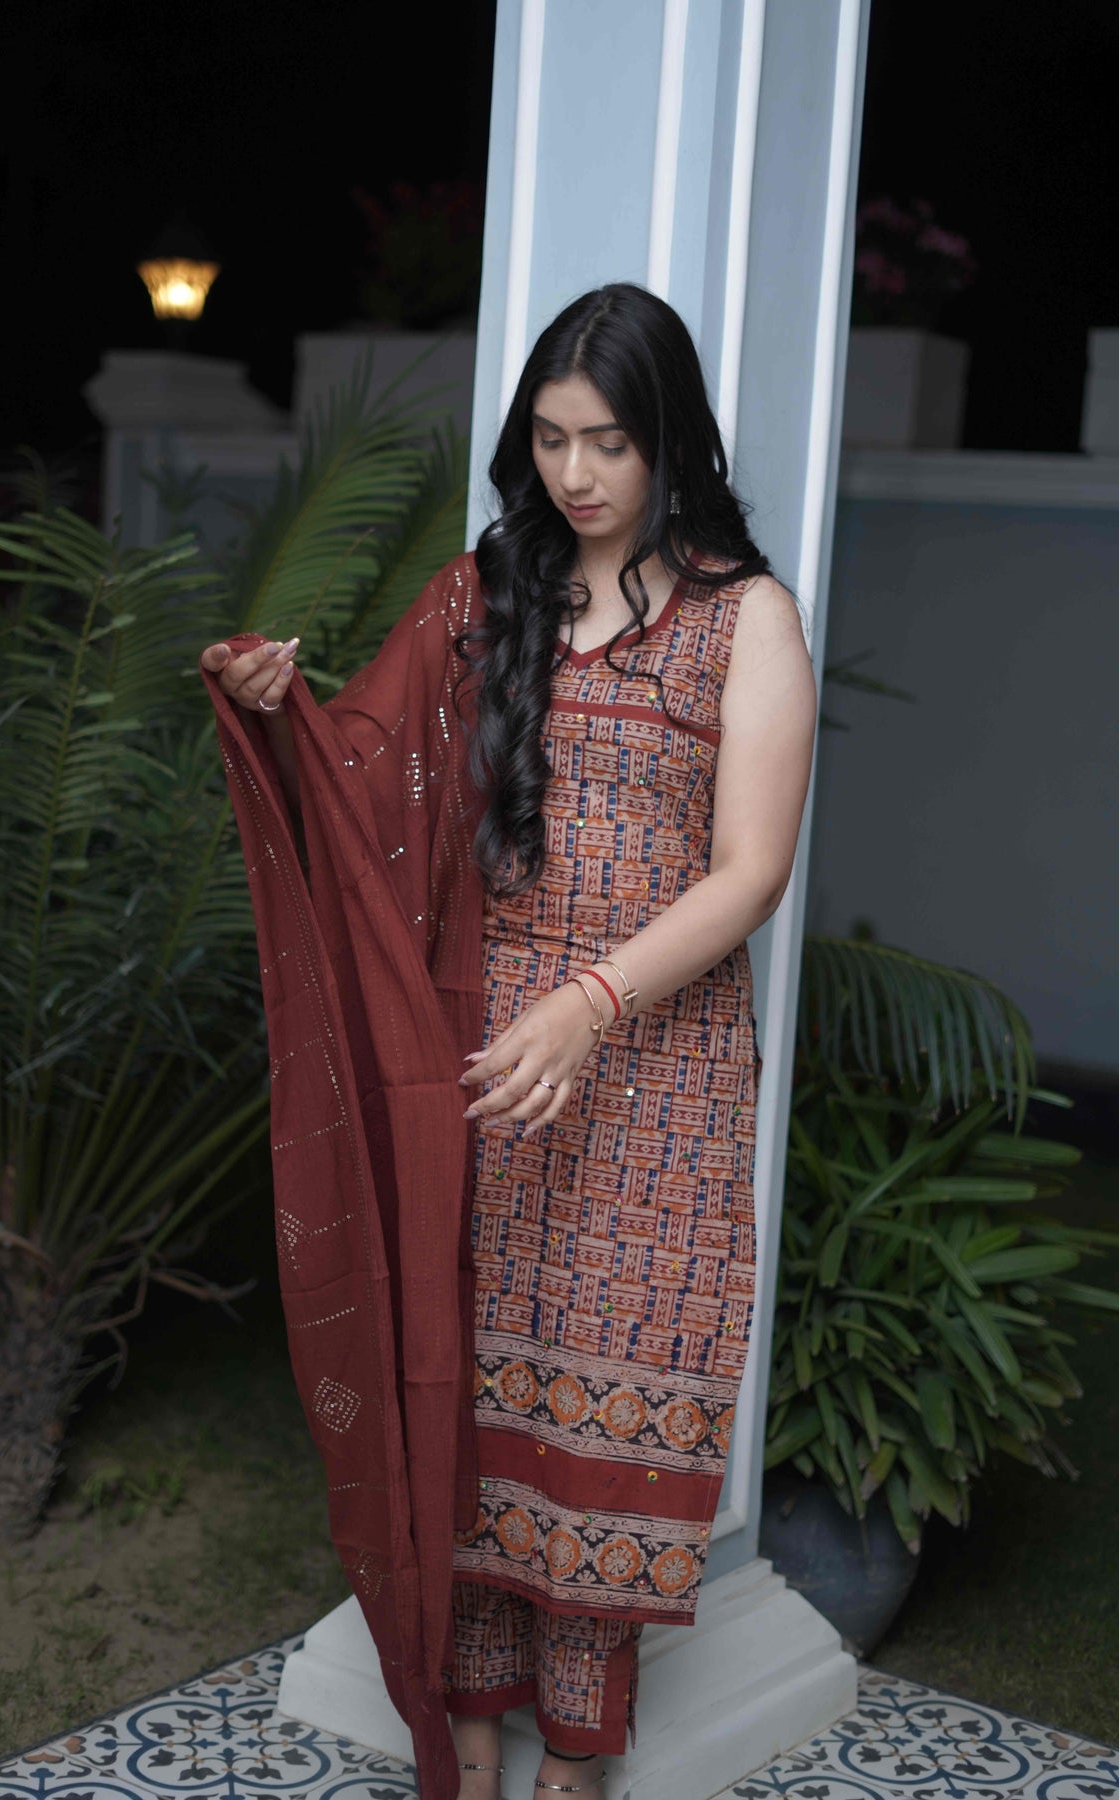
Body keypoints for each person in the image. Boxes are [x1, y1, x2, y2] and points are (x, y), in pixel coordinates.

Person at [199, 282, 815, 1800]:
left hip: (649, 1064)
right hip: (481, 1060)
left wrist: (591, 1006)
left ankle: (577, 1760)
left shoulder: (748, 618)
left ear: (670, 440)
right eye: (548, 439)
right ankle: (467, 1736)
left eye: (608, 440)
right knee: (470, 1389)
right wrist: (281, 712)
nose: (576, 474)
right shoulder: (489, 595)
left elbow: (749, 874)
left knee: (604, 1392)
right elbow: (368, 768)